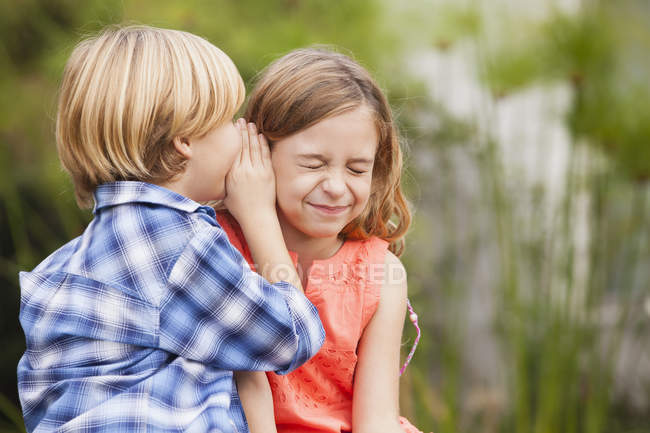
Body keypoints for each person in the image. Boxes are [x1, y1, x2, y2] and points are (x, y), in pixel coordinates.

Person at [17, 26, 324, 433]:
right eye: (230, 121)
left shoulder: (58, 266)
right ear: (184, 141)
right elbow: (291, 334)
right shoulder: (178, 246)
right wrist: (259, 216)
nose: (242, 133)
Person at [217, 47, 423, 433]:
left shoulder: (382, 274)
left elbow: (376, 420)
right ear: (259, 152)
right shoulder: (217, 245)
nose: (335, 187)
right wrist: (258, 216)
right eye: (313, 164)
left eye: (357, 168)